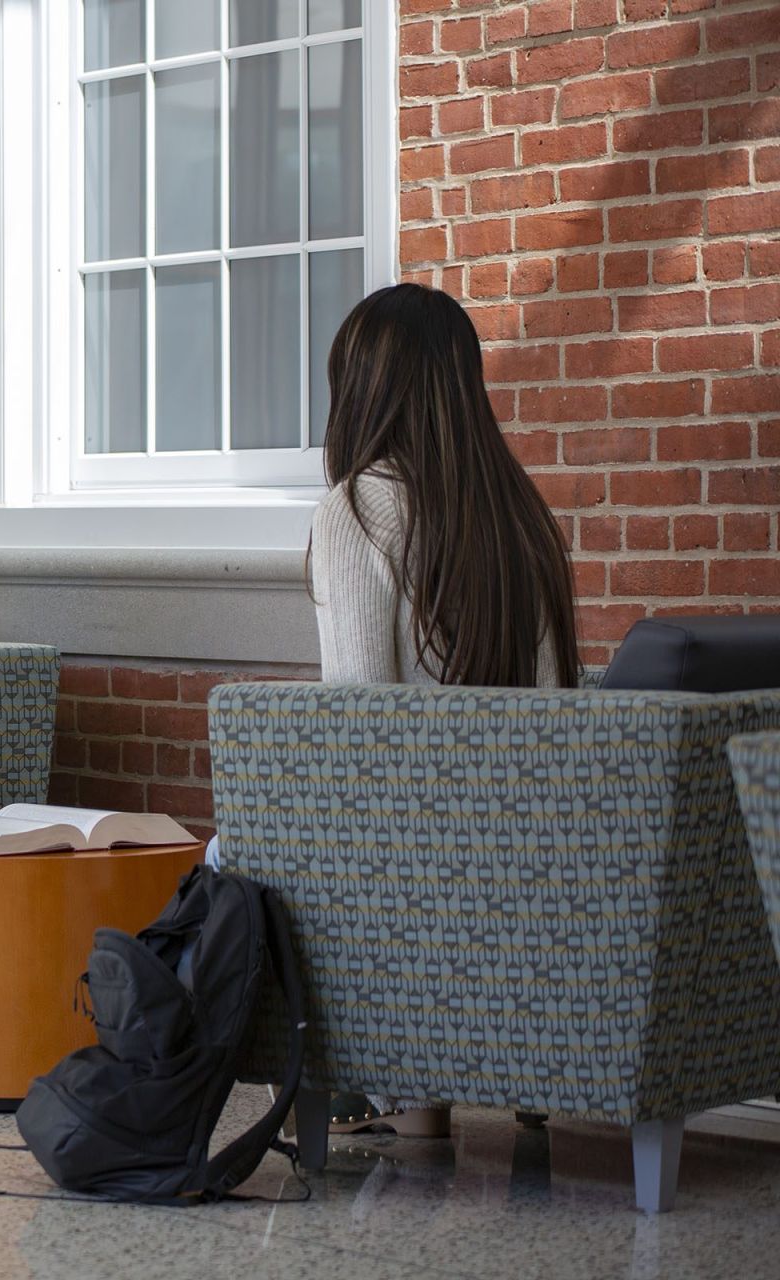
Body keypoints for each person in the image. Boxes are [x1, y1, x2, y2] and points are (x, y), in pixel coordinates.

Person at [307, 281, 580, 1136]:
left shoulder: (359, 508)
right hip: (529, 859)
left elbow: (361, 740)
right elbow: (553, 716)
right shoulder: (520, 516)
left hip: (414, 870)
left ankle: (401, 1088)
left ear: (362, 389)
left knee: (226, 859)